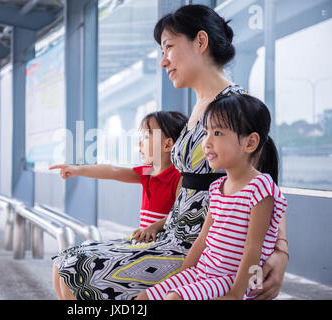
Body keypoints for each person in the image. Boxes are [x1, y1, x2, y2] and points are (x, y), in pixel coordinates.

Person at [54, 4, 289, 300]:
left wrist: (280, 253)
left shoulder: (234, 109)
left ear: (200, 42)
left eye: (168, 48)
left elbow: (263, 183)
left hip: (204, 253)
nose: (163, 62)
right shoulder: (197, 108)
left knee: (78, 271)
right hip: (172, 237)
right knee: (67, 263)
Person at [144, 94, 287, 300]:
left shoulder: (261, 187)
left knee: (174, 298)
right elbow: (202, 240)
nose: (207, 143)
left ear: (250, 142)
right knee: (144, 298)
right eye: (206, 133)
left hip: (232, 278)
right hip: (205, 272)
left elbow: (253, 248)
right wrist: (183, 276)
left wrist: (236, 295)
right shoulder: (217, 187)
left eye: (217, 132)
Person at [50, 111, 188, 240]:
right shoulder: (148, 172)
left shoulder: (179, 177)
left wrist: (155, 227)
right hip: (145, 242)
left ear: (167, 145)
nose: (140, 143)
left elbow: (181, 213)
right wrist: (78, 170)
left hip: (163, 246)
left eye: (146, 137)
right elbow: (113, 171)